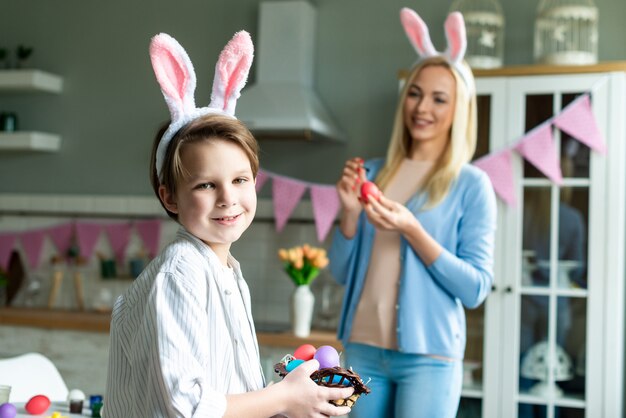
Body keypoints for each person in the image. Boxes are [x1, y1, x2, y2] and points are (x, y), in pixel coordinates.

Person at [104, 31, 353, 418]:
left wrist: (294, 400)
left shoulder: (226, 272)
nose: (228, 198)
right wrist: (285, 398)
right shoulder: (181, 273)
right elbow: (189, 405)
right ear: (169, 196)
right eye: (206, 184)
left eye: (239, 180)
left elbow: (234, 394)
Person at [328, 9, 497, 418]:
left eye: (440, 98)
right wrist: (349, 215)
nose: (423, 107)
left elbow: (476, 288)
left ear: (459, 109)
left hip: (430, 359)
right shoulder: (371, 173)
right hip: (363, 351)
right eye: (416, 93)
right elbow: (339, 271)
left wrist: (413, 230)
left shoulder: (471, 185)